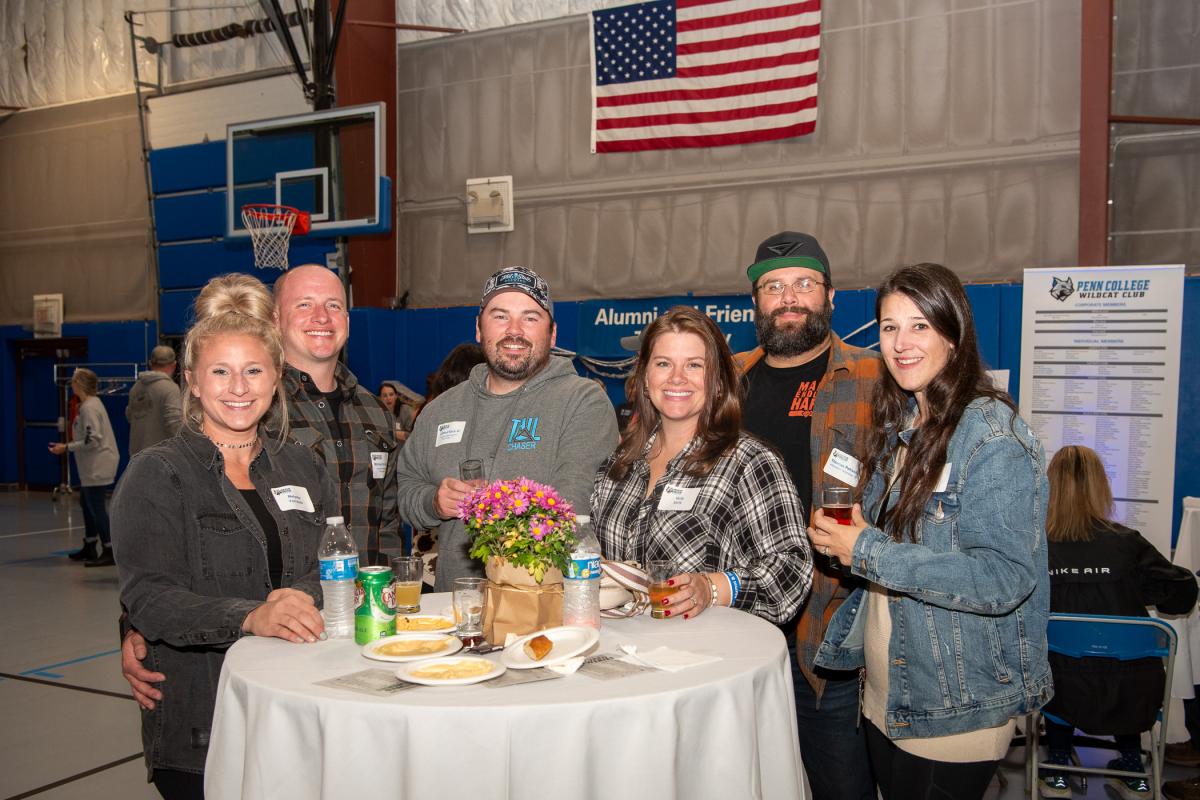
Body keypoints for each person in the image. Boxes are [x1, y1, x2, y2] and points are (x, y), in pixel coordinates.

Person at [809, 262, 1052, 800]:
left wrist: (867, 549)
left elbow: (1003, 578)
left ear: (953, 332)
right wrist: (849, 538)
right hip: (888, 695)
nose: (901, 343)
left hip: (952, 708)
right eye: (890, 327)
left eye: (920, 325)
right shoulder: (907, 427)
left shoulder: (992, 438)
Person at [111, 274, 336, 799]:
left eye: (254, 370)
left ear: (277, 376)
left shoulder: (302, 466)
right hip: (204, 720)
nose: (239, 388)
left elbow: (331, 562)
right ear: (192, 379)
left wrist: (306, 594)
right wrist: (250, 616)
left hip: (298, 709)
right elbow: (150, 597)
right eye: (221, 371)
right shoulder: (157, 475)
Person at [733, 231, 881, 800]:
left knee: (840, 781)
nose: (788, 298)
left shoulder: (873, 378)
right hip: (739, 614)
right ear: (756, 302)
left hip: (829, 625)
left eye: (803, 284)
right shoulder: (727, 380)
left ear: (830, 296)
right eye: (773, 287)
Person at [395, 266, 619, 591]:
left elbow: (572, 505)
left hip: (546, 609)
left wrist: (493, 506)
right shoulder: (440, 409)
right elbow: (407, 490)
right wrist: (434, 502)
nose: (514, 331)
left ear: (552, 334)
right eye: (500, 316)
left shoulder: (582, 402)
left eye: (530, 318)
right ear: (478, 328)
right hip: (457, 610)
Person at [591, 305, 812, 623]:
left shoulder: (749, 463)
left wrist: (712, 587)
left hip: (706, 660)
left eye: (694, 365)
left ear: (718, 380)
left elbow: (792, 570)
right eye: (663, 363)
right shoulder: (616, 468)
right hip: (620, 656)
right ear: (645, 376)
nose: (676, 378)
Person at [1037, 445, 1197, 800]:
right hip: (1133, 692)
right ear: (1100, 487)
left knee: (1058, 663)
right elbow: (1182, 594)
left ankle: (1057, 765)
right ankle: (1131, 767)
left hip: (1062, 692)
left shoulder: (1036, 547)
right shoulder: (1127, 544)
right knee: (1124, 665)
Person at [274, 264, 399, 564]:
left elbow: (388, 520)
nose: (322, 316)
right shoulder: (259, 409)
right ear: (274, 320)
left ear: (346, 320)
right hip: (291, 605)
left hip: (368, 602)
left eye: (334, 305)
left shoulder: (375, 412)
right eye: (304, 304)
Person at [49, 367, 119, 567]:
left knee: (96, 507)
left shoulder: (89, 407)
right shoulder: (88, 405)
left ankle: (109, 549)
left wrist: (66, 447)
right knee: (86, 505)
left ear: (79, 384)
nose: (71, 384)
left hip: (98, 464)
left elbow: (93, 440)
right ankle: (90, 545)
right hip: (90, 465)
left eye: (73, 381)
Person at [126, 345, 183, 455]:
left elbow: (129, 416)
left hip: (137, 456)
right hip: (161, 458)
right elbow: (175, 424)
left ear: (150, 363)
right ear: (174, 365)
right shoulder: (170, 388)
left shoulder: (136, 388)